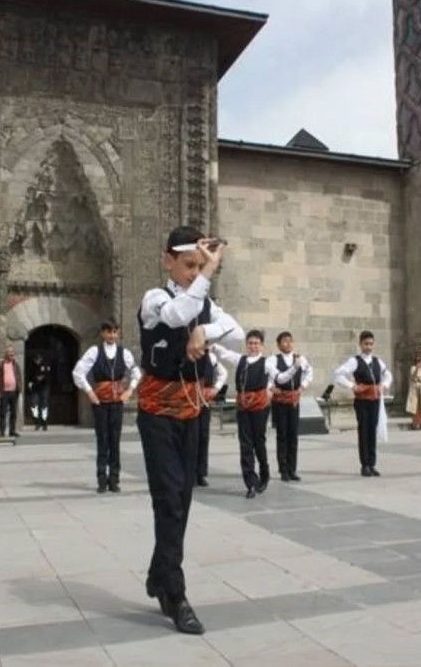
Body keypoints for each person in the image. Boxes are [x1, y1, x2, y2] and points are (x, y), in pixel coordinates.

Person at [135, 225, 244, 634]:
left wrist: (206, 330)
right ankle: (175, 594)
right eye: (188, 265)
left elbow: (234, 329)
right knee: (169, 498)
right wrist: (205, 285)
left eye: (199, 266)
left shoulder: (204, 304)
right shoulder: (155, 298)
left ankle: (158, 574)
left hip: (192, 409)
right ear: (169, 260)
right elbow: (176, 315)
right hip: (157, 411)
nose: (194, 273)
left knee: (182, 495)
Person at [73, 320, 143, 493]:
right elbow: (78, 372)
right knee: (102, 439)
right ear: (103, 333)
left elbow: (136, 372)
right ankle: (101, 479)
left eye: (115, 332)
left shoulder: (124, 353)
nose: (112, 335)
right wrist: (90, 392)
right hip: (101, 402)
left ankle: (114, 478)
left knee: (115, 440)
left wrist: (129, 390)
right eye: (109, 332)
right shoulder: (94, 352)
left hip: (117, 402)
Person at [211, 331, 273, 499]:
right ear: (247, 345)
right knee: (245, 444)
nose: (253, 346)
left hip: (259, 406)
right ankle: (250, 482)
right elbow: (225, 353)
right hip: (243, 406)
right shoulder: (241, 360)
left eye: (256, 343)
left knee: (259, 441)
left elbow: (276, 378)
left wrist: (269, 390)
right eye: (250, 343)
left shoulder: (267, 362)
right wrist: (212, 345)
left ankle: (264, 473)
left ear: (261, 345)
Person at [334, 331, 393, 477]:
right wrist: (352, 386)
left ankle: (372, 464)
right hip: (362, 401)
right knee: (364, 431)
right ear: (360, 344)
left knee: (372, 431)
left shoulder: (378, 361)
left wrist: (384, 385)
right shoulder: (355, 361)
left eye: (371, 344)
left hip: (374, 400)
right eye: (366, 344)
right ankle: (365, 464)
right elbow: (338, 374)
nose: (368, 347)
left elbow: (388, 374)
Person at [267, 331, 312, 482]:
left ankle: (292, 469)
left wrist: (302, 386)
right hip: (280, 400)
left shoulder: (299, 359)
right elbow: (267, 375)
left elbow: (309, 373)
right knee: (282, 435)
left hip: (293, 399)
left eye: (290, 341)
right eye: (284, 341)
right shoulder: (273, 359)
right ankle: (283, 469)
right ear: (279, 344)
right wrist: (271, 387)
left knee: (293, 435)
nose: (288, 344)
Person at [196, 351, 228, 488]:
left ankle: (200, 473)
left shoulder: (211, 357)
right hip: (186, 399)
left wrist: (216, 389)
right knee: (189, 437)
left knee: (203, 435)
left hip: (203, 401)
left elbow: (223, 373)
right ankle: (187, 473)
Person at [0, 347, 23, 440]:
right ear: (6, 355)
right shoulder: (0, 365)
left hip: (14, 391)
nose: (12, 356)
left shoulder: (15, 365)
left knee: (13, 412)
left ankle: (12, 430)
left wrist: (19, 387)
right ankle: (2, 431)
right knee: (3, 412)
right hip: (4, 391)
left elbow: (19, 376)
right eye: (10, 354)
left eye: (12, 354)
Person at [28, 353, 52, 431]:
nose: (37, 362)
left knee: (44, 405)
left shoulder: (45, 366)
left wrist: (42, 378)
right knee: (34, 405)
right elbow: (30, 376)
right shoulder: (32, 367)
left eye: (38, 360)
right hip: (35, 388)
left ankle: (44, 423)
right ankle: (37, 422)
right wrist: (30, 382)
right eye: (36, 360)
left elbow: (48, 376)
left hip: (44, 388)